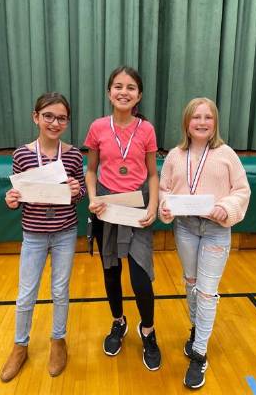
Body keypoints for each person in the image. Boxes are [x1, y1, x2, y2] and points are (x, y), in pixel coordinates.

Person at [159, 97, 250, 389]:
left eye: (207, 117)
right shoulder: (174, 155)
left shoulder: (227, 154)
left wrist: (227, 207)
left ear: (215, 123)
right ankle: (197, 330)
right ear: (186, 122)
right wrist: (164, 206)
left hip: (215, 230)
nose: (201, 122)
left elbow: (242, 190)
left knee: (207, 292)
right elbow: (164, 189)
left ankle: (199, 353)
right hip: (185, 228)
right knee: (190, 282)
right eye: (195, 117)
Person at [0, 92, 86, 382]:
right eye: (48, 116)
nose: (54, 122)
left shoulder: (73, 154)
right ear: (35, 117)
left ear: (67, 122)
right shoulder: (22, 155)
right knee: (26, 293)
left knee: (60, 291)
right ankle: (20, 345)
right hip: (34, 234)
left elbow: (82, 192)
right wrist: (11, 199)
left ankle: (58, 341)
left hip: (65, 232)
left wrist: (77, 190)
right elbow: (19, 196)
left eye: (61, 117)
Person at [84, 66, 161, 371]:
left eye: (131, 87)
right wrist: (92, 198)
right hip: (106, 208)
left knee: (141, 277)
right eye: (118, 86)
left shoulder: (147, 130)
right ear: (109, 92)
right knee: (111, 271)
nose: (124, 92)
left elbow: (154, 175)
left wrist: (153, 206)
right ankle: (119, 322)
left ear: (139, 95)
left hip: (137, 208)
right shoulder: (98, 127)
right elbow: (91, 171)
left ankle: (148, 330)